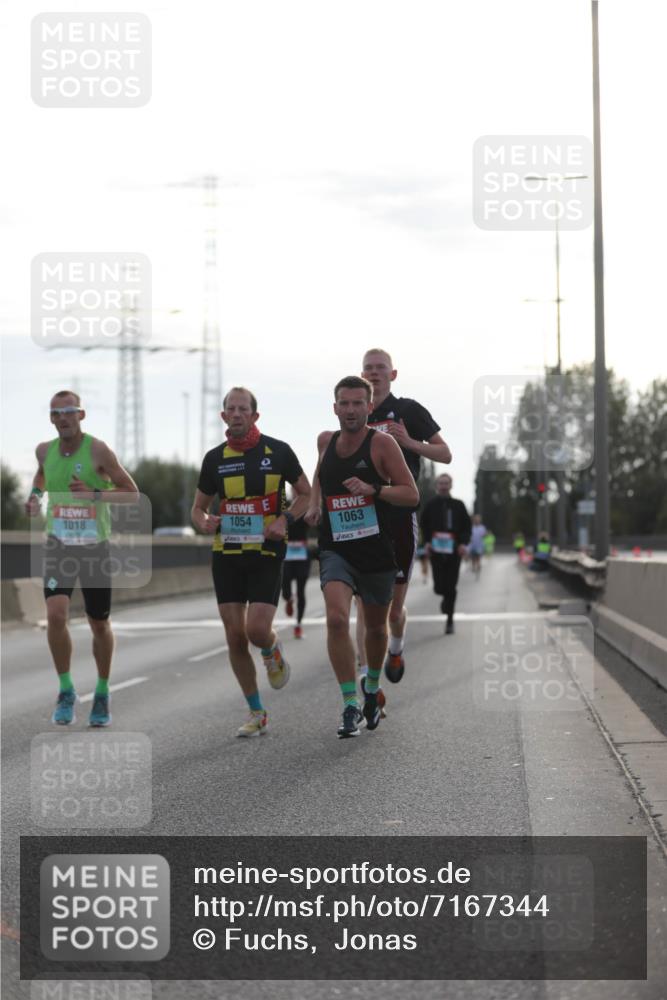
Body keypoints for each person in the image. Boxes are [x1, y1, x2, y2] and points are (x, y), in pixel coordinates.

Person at [192, 387, 311, 737]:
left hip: (266, 552)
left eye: (244, 409)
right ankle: (256, 711)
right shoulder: (215, 459)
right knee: (234, 636)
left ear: (255, 416)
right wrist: (203, 521)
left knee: (256, 630)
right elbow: (197, 508)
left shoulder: (278, 452)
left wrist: (285, 521)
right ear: (224, 416)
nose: (238, 414)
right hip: (226, 553)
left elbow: (306, 493)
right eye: (232, 409)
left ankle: (271, 649)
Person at [305, 376, 419, 738]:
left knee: (374, 628)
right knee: (337, 619)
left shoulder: (382, 444)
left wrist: (375, 489)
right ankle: (350, 702)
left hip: (376, 549)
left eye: (358, 404)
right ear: (335, 407)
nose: (351, 410)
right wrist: (312, 504)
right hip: (336, 546)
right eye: (344, 403)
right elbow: (320, 476)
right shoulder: (326, 441)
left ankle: (371, 686)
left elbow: (411, 494)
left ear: (369, 407)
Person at [25, 390, 139, 727]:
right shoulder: (44, 451)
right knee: (56, 615)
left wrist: (94, 494)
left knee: (98, 623)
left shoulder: (99, 450)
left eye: (69, 412)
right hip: (59, 544)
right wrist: (34, 498)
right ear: (51, 419)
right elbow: (41, 477)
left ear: (81, 415)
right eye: (57, 413)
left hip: (93, 547)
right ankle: (65, 689)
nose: (63, 418)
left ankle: (102, 691)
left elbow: (131, 493)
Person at [355, 348, 452, 685]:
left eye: (381, 368)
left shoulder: (408, 410)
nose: (374, 373)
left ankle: (395, 648)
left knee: (392, 612)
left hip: (398, 515)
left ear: (392, 375)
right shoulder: (354, 414)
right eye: (368, 368)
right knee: (365, 609)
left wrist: (410, 442)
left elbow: (445, 453)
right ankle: (368, 682)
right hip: (362, 518)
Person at [419, 474, 471, 634]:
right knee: (439, 587)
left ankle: (450, 620)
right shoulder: (430, 505)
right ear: (437, 486)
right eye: (441, 483)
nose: (443, 486)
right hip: (436, 549)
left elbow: (466, 527)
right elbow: (423, 525)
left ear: (451, 485)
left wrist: (463, 543)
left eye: (446, 483)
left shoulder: (459, 505)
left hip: (454, 550)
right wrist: (426, 542)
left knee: (452, 585)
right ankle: (444, 601)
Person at [281, 509, 311, 639]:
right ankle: (288, 599)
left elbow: (313, 521)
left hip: (302, 554)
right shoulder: (285, 508)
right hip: (287, 554)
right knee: (285, 586)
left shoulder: (306, 510)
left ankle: (298, 625)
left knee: (301, 591)